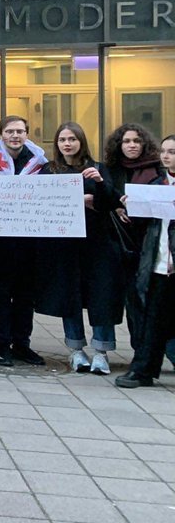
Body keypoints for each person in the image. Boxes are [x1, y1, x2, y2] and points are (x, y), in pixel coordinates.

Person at [30, 122, 123, 375]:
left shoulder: (98, 168)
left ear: (81, 141)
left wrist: (101, 184)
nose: (67, 144)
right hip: (64, 248)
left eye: (72, 139)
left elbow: (112, 202)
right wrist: (78, 200)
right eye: (62, 140)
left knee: (100, 298)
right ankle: (76, 350)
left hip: (97, 246)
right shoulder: (49, 171)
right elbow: (40, 203)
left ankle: (101, 352)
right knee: (69, 298)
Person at [0, 115, 47, 367]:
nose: (15, 136)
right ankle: (3, 346)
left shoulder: (41, 163)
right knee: (1, 296)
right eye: (9, 131)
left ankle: (22, 345)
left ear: (27, 134)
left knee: (26, 297)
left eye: (20, 131)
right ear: (1, 135)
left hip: (29, 243)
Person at [116, 134, 175, 389]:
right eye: (164, 151)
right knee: (152, 320)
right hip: (159, 263)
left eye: (172, 151)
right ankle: (143, 371)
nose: (166, 156)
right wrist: (132, 208)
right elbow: (144, 226)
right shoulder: (157, 183)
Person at [103, 122, 164, 350]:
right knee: (131, 301)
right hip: (121, 245)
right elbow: (106, 198)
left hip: (152, 243)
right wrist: (116, 207)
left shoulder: (158, 169)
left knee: (152, 301)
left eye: (136, 141)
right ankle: (140, 353)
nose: (131, 145)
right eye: (126, 141)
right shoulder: (110, 169)